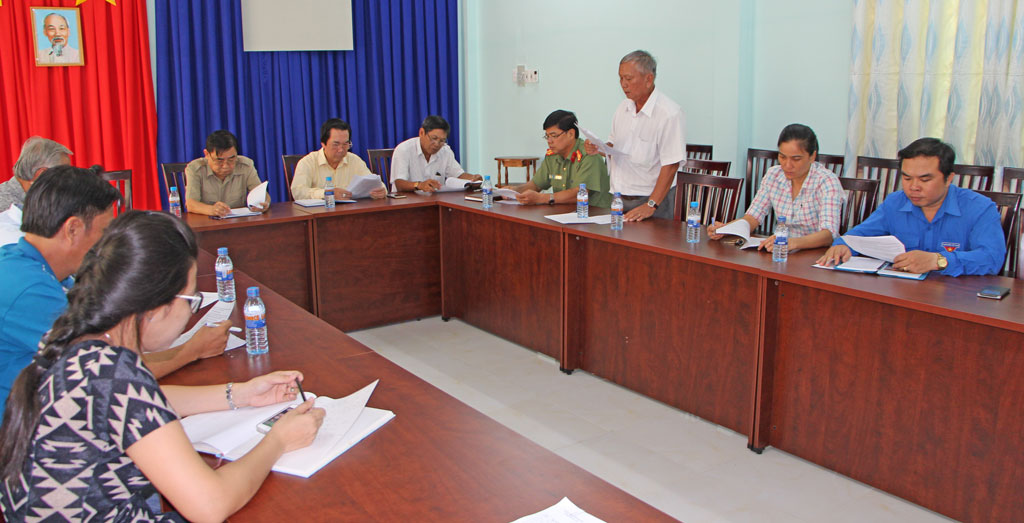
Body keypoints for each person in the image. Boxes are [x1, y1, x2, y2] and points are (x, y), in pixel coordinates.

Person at [0, 210, 325, 521]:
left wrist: (241, 394)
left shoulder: (78, 340)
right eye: (191, 300)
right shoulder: (111, 370)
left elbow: (145, 400)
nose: (190, 314)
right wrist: (278, 441)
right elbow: (210, 505)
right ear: (155, 307)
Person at [0, 166, 229, 410]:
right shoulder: (29, 289)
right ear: (73, 229)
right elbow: (108, 371)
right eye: (104, 232)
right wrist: (192, 350)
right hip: (29, 423)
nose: (109, 244)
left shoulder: (35, 265)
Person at [817, 137, 1005, 276]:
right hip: (904, 294)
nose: (914, 187)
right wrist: (843, 245)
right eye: (907, 178)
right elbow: (858, 236)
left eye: (925, 179)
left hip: (955, 300)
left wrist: (938, 260)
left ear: (948, 178)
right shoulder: (895, 203)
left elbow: (992, 258)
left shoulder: (979, 208)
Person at [708, 124, 844, 251]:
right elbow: (753, 216)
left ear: (812, 156)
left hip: (816, 255)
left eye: (796, 159)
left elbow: (828, 234)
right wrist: (728, 229)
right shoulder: (773, 175)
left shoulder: (827, 181)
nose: (787, 165)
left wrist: (792, 242)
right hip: (779, 252)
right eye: (782, 157)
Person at [585, 50, 685, 221]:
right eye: (620, 78)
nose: (623, 84)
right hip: (619, 198)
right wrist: (600, 148)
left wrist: (651, 205)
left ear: (648, 79)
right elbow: (615, 146)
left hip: (653, 201)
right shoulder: (623, 108)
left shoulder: (669, 113)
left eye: (629, 79)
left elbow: (671, 164)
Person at [504, 110, 611, 207]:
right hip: (563, 214)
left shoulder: (588, 154)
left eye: (554, 136)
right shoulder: (552, 155)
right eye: (547, 136)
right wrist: (515, 191)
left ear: (571, 134)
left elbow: (579, 194)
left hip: (593, 215)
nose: (549, 141)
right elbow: (536, 184)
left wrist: (541, 198)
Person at [292, 118, 387, 200]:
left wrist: (381, 190)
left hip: (350, 212)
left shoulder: (354, 160)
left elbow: (373, 182)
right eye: (336, 144)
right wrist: (327, 193)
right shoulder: (308, 162)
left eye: (345, 144)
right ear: (323, 144)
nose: (341, 149)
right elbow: (298, 192)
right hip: (320, 213)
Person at [185, 130, 270, 217]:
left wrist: (265, 203)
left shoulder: (245, 166)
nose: (225, 166)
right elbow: (191, 204)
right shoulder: (195, 169)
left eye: (231, 159)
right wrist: (212, 210)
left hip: (239, 221)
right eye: (219, 160)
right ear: (207, 154)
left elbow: (261, 194)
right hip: (207, 221)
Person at [391, 115, 482, 193]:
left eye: (442, 140)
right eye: (434, 138)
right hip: (407, 202)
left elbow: (458, 174)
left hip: (435, 201)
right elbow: (399, 184)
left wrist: (473, 178)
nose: (437, 144)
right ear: (421, 133)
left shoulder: (445, 151)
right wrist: (419, 185)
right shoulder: (404, 150)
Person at [0, 136, 72, 211]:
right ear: (42, 174)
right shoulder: (6, 208)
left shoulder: (40, 198)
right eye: (64, 173)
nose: (67, 179)